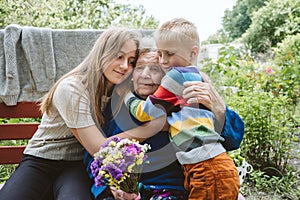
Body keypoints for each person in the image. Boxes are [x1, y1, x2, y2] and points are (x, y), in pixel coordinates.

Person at [0, 27, 166, 200]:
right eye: (119, 56)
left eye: (131, 61)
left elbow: (170, 82)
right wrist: (153, 127)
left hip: (78, 166)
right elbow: (99, 148)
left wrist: (195, 84)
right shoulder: (72, 88)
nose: (125, 66)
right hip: (42, 161)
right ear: (102, 53)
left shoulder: (122, 91)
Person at [124, 18, 241, 199]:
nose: (164, 61)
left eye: (154, 67)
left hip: (207, 168)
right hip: (197, 170)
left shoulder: (180, 80)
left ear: (193, 53)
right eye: (139, 68)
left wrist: (127, 98)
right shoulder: (187, 82)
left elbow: (144, 113)